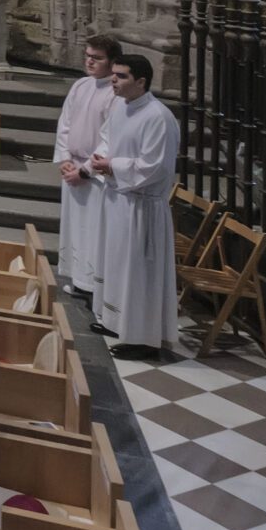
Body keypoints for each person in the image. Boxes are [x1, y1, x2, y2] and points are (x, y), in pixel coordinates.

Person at [91, 54, 180, 357]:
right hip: (119, 199)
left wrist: (111, 165)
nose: (113, 80)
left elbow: (155, 166)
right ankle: (116, 322)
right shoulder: (122, 106)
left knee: (138, 274)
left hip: (142, 208)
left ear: (141, 82)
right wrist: (99, 161)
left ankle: (142, 339)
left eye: (121, 76)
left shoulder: (158, 117)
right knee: (116, 266)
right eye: (113, 74)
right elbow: (107, 139)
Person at [54, 35, 121, 297]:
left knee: (92, 232)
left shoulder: (115, 94)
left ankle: (93, 285)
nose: (90, 61)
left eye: (97, 58)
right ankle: (77, 278)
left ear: (112, 62)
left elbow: (110, 139)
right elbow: (65, 124)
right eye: (88, 56)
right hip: (73, 166)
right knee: (75, 230)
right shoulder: (81, 85)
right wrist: (65, 158)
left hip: (93, 175)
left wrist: (85, 171)